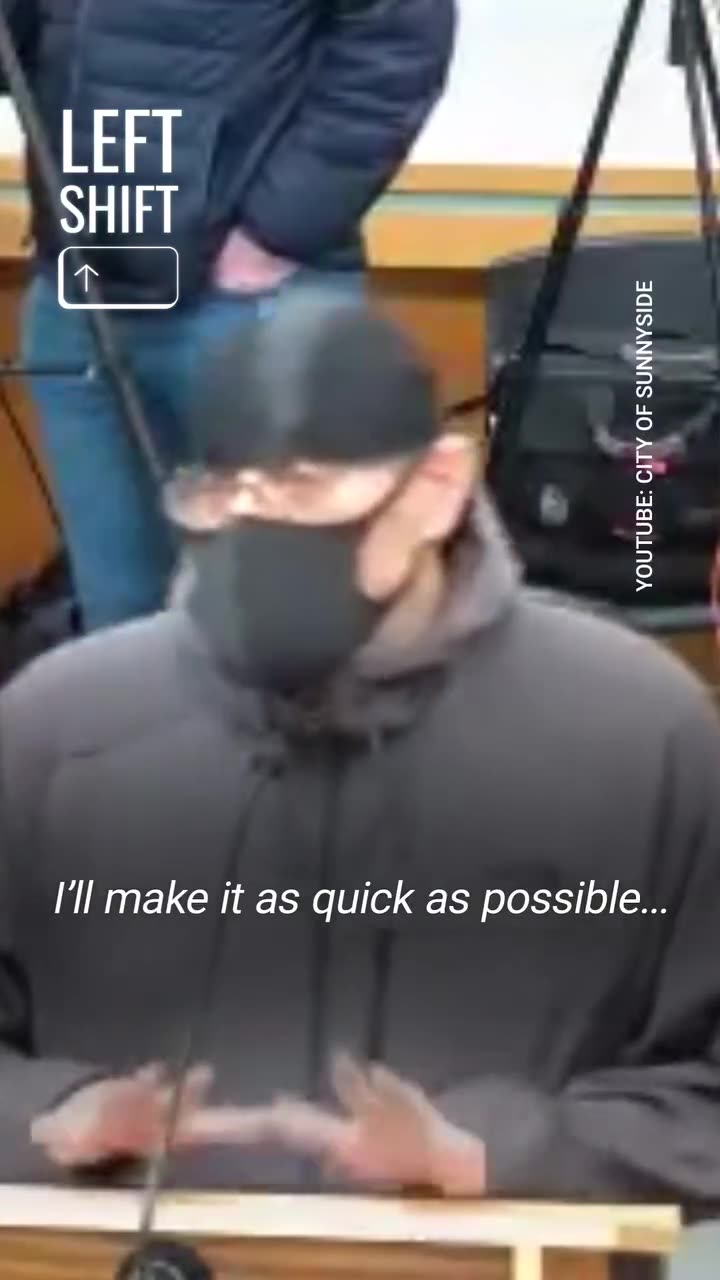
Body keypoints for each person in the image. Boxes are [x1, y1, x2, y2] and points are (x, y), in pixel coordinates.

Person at [2, 294, 720, 1219]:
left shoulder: (637, 731)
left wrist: (496, 1151)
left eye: (303, 487)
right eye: (224, 493)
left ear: (436, 487)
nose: (257, 529)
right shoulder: (58, 729)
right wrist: (56, 1118)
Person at [4, 0, 455, 631]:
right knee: (118, 624)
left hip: (248, 303)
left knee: (279, 624)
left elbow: (397, 50)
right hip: (81, 286)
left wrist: (274, 233)